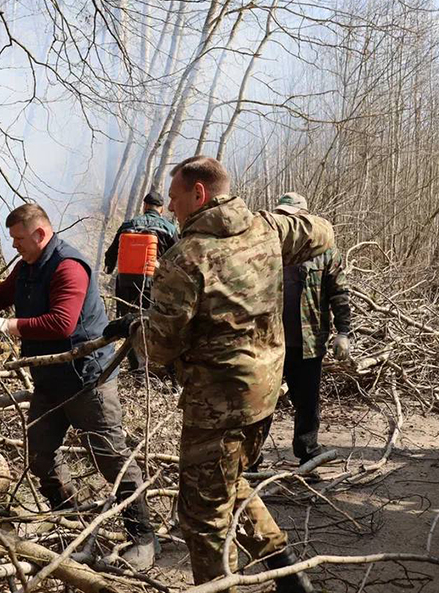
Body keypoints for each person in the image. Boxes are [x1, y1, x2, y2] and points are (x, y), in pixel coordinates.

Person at [105, 156, 334, 593]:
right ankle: (286, 572)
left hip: (217, 404)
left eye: (175, 199)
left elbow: (157, 348)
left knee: (201, 516)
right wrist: (285, 215)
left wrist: (133, 328)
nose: (171, 208)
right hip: (265, 392)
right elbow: (323, 232)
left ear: (199, 194)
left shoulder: (186, 257)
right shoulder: (268, 228)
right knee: (227, 484)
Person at [0, 203, 157, 569]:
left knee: (110, 458)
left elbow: (61, 324)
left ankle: (143, 537)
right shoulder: (28, 265)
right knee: (41, 453)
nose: (15, 246)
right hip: (49, 380)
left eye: (19, 239)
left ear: (40, 234)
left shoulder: (69, 266)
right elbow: (5, 293)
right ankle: (71, 521)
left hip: (88, 379)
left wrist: (7, 327)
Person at [274, 192, 352, 465]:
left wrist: (344, 332)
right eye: (281, 216)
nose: (286, 223)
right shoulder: (267, 248)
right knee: (261, 404)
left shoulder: (325, 252)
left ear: (305, 220)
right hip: (269, 342)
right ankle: (251, 459)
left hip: (308, 342)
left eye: (290, 217)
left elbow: (339, 293)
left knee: (307, 402)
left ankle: (307, 453)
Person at [104, 190, 178, 370]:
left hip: (125, 284)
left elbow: (111, 254)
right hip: (152, 284)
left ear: (144, 206)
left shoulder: (128, 224)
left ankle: (136, 366)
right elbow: (179, 255)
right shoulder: (168, 227)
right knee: (148, 322)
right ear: (161, 209)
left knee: (129, 323)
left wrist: (109, 268)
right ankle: (152, 366)